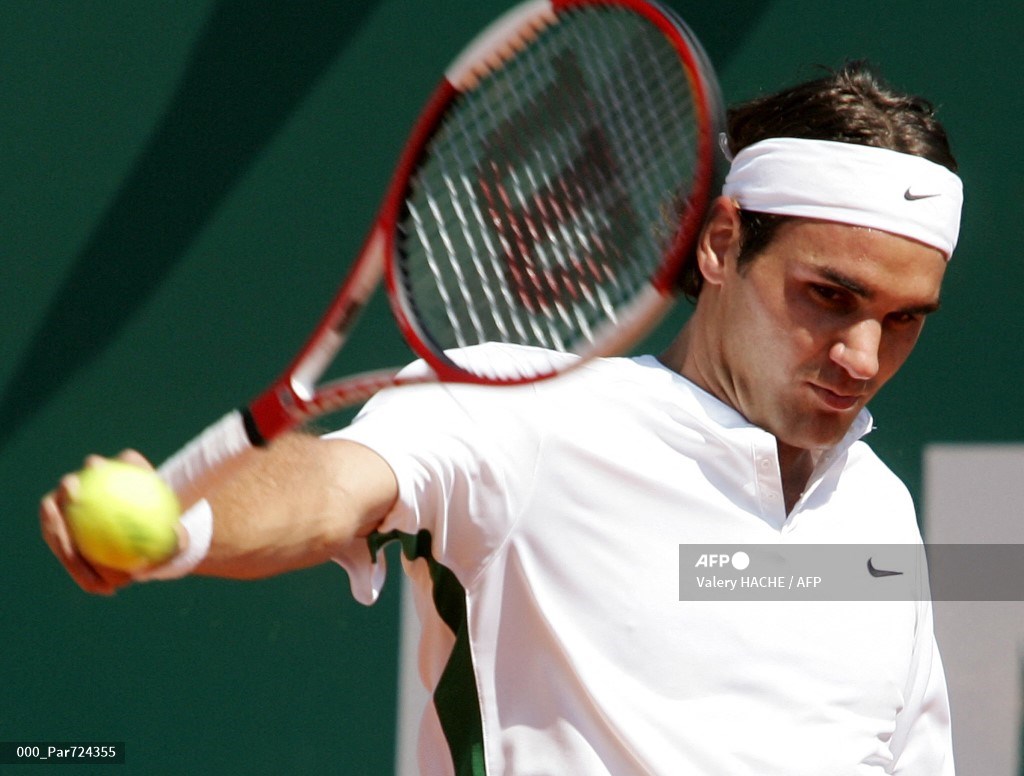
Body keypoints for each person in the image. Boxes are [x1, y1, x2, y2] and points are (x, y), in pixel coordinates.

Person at [41, 61, 961, 775]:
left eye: (905, 320)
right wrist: (191, 527)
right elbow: (330, 488)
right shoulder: (521, 414)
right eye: (830, 297)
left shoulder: (877, 512)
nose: (864, 358)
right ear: (724, 245)